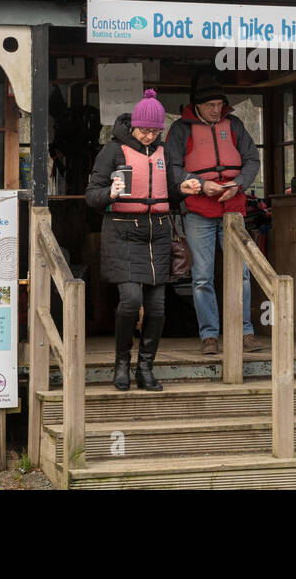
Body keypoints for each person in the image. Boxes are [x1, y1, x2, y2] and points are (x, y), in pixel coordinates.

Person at [86, 89, 196, 391]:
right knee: (131, 301)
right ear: (133, 125)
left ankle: (145, 367)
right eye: (144, 129)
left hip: (157, 233)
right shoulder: (113, 151)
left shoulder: (164, 152)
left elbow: (169, 192)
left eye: (154, 131)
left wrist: (183, 188)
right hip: (122, 231)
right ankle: (121, 363)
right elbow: (91, 195)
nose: (149, 136)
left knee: (158, 307)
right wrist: (110, 193)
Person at [164, 73, 264, 356]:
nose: (217, 110)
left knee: (242, 275)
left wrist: (238, 184)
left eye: (220, 104)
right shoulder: (180, 129)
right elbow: (171, 167)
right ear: (198, 105)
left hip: (233, 209)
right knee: (202, 277)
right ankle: (209, 336)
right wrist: (199, 183)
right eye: (211, 105)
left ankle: (244, 332)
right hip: (198, 209)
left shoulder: (234, 125)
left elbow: (252, 160)